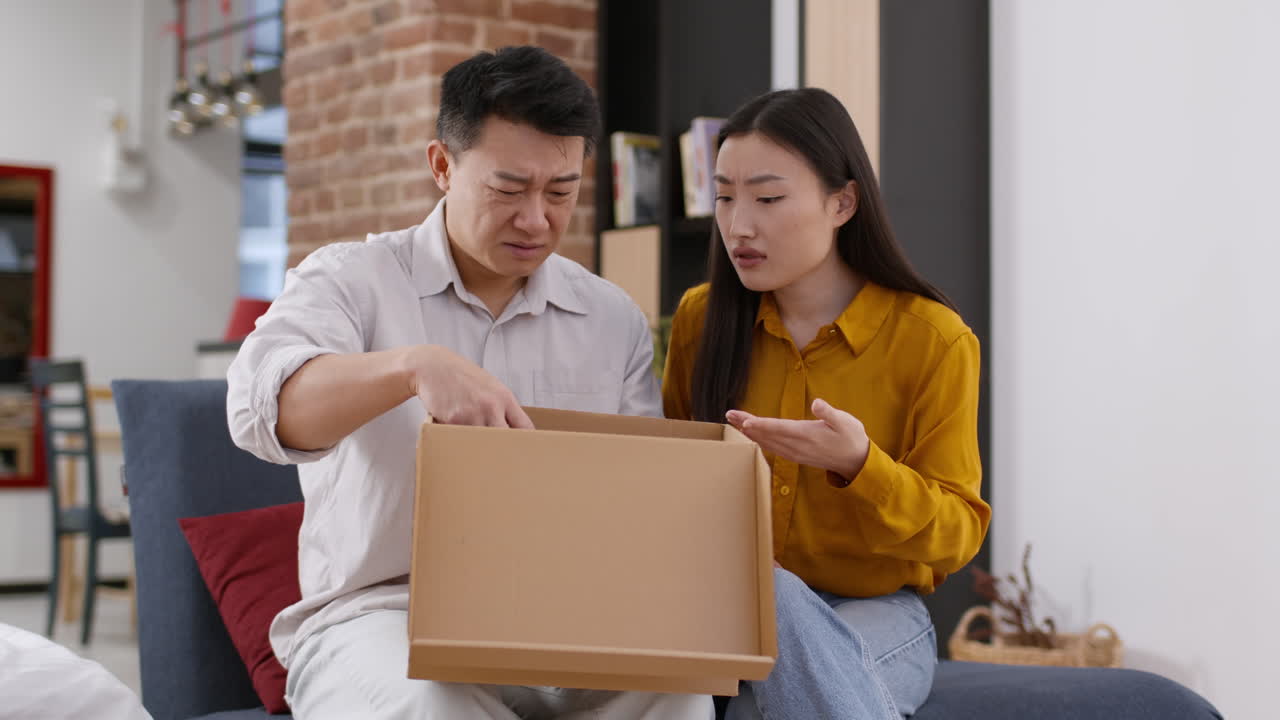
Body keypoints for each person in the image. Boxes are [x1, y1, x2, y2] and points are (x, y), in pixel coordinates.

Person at [227, 46, 710, 720]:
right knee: (436, 705)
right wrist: (411, 367)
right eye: (509, 189)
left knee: (682, 689)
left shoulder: (611, 318)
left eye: (561, 191)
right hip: (379, 617)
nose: (537, 219)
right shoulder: (349, 280)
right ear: (442, 167)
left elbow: (636, 505)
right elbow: (262, 415)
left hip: (559, 619)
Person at [662, 87, 991, 719]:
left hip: (874, 615)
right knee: (765, 593)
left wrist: (862, 465)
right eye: (725, 197)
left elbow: (957, 537)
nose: (739, 225)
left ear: (842, 203)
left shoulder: (934, 340)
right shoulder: (701, 322)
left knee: (775, 611)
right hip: (722, 613)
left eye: (767, 198)